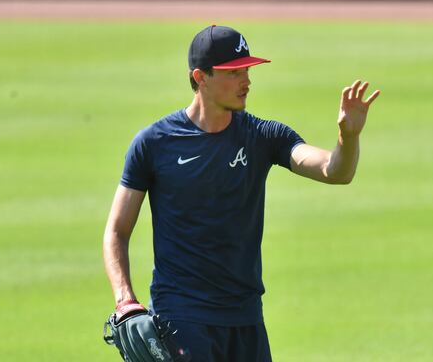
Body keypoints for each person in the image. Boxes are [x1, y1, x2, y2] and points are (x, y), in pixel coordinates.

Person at [103, 25, 380, 361]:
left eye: (247, 69)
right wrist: (125, 298)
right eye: (233, 72)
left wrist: (348, 137)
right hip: (182, 317)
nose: (246, 80)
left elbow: (335, 171)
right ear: (200, 77)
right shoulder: (153, 144)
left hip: (245, 317)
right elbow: (117, 231)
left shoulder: (264, 136)